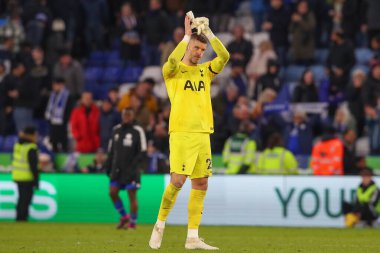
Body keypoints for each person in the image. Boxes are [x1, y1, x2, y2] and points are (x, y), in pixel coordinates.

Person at [149, 15, 229, 250]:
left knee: (201, 184)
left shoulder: (205, 72)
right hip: (182, 133)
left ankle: (192, 237)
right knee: (177, 180)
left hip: (203, 133)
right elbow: (173, 60)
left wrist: (210, 33)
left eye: (202, 49)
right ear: (188, 46)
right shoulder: (172, 72)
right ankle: (159, 225)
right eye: (196, 48)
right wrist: (186, 35)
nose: (199, 53)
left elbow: (224, 57)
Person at [105, 108, 147, 229]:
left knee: (131, 195)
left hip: (132, 170)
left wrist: (136, 166)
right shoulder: (116, 130)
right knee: (112, 192)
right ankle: (124, 216)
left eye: (129, 115)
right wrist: (108, 166)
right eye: (125, 115)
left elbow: (143, 151)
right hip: (117, 169)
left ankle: (133, 222)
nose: (127, 117)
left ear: (133, 117)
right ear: (122, 116)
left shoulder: (137, 130)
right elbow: (111, 150)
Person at [11, 126, 39, 221]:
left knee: (21, 198)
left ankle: (19, 217)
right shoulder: (31, 147)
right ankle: (22, 218)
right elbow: (33, 165)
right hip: (27, 177)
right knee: (26, 199)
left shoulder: (18, 145)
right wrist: (36, 180)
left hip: (18, 176)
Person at [45, 78, 74, 152]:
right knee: (53, 140)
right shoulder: (52, 95)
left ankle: (65, 153)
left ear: (61, 85)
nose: (54, 87)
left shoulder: (68, 96)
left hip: (63, 122)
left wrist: (65, 119)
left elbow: (69, 109)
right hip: (53, 121)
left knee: (63, 139)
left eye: (55, 85)